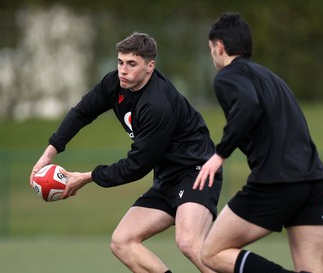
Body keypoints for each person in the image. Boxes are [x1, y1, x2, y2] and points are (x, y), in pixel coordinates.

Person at [30, 32, 222, 273]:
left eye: (132, 64)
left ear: (150, 67)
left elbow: (137, 165)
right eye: (120, 62)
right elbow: (82, 112)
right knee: (122, 242)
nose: (123, 70)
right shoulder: (114, 84)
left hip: (197, 172)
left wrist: (87, 177)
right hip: (167, 177)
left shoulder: (156, 104)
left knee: (189, 243)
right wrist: (49, 153)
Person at [193, 12, 323, 273]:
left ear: (219, 47)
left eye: (211, 49)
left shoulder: (227, 77)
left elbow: (248, 104)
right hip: (314, 181)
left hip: (276, 182)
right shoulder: (272, 78)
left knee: (212, 252)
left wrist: (220, 154)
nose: (212, 56)